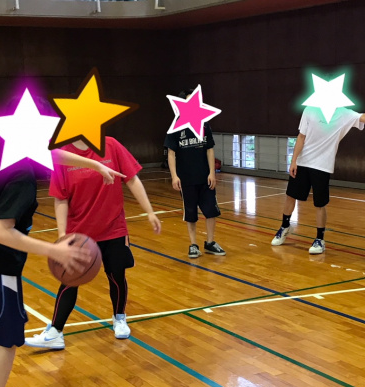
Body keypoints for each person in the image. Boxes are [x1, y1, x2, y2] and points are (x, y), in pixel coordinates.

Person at [0, 142, 123, 387]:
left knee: (0, 331)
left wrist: (94, 164)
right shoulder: (21, 176)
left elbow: (47, 153)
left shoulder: (2, 147)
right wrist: (55, 251)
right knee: (7, 339)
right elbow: (2, 232)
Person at [25, 136, 161, 350]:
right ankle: (55, 332)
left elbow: (132, 179)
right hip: (80, 234)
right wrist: (63, 235)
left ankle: (119, 318)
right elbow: (60, 198)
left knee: (117, 275)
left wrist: (150, 211)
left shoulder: (111, 145)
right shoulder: (63, 155)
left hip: (113, 228)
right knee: (69, 281)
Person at [272, 106, 365, 252]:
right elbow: (301, 136)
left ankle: (319, 240)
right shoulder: (309, 110)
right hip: (303, 162)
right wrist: (294, 161)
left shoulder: (343, 114)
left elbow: (363, 117)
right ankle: (285, 227)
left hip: (322, 166)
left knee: (320, 204)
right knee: (291, 196)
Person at [164, 89, 225, 259]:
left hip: (205, 177)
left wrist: (212, 172)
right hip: (186, 178)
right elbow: (171, 153)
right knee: (190, 212)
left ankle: (210, 243)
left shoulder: (204, 124)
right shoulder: (176, 127)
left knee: (211, 210)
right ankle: (193, 244)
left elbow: (210, 149)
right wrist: (174, 176)